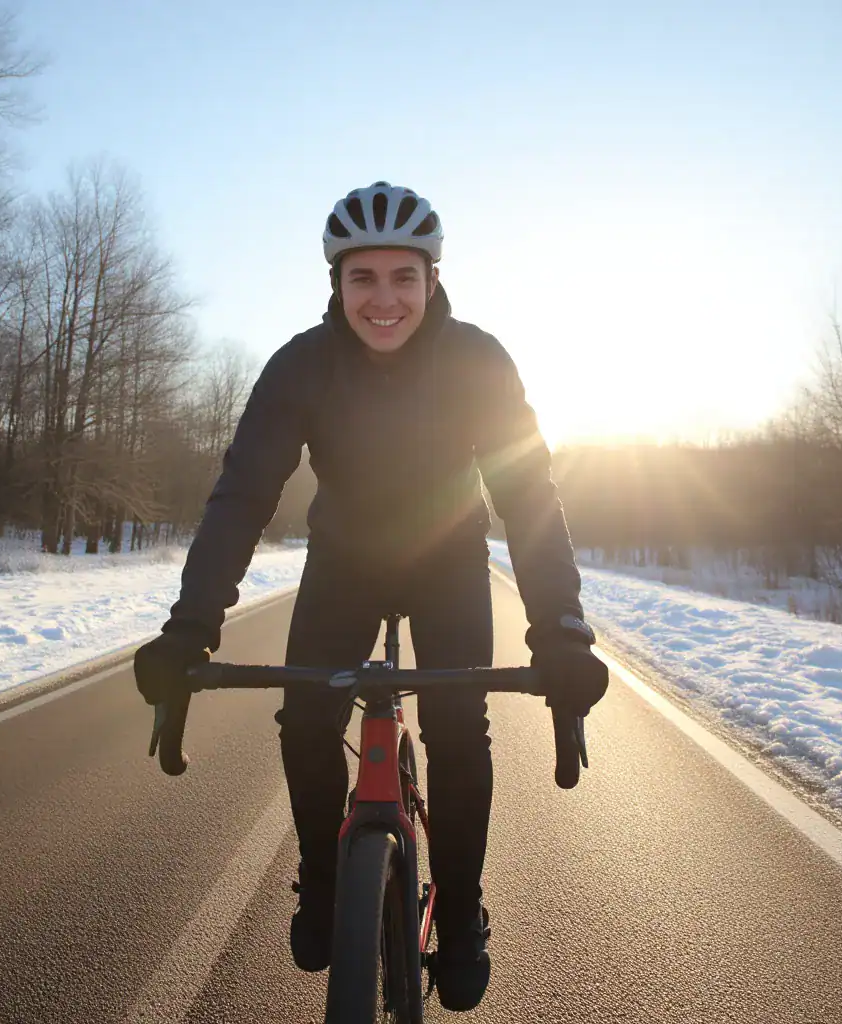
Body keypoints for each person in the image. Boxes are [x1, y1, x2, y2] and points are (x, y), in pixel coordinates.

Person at [133, 181, 608, 1013]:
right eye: (363, 279)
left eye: (402, 278)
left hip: (447, 560)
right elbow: (242, 494)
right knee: (308, 717)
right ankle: (323, 884)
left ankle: (460, 915)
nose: (383, 299)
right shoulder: (300, 366)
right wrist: (190, 625)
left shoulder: (478, 360)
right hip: (345, 561)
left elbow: (529, 494)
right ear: (336, 284)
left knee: (460, 727)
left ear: (432, 280)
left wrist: (560, 629)